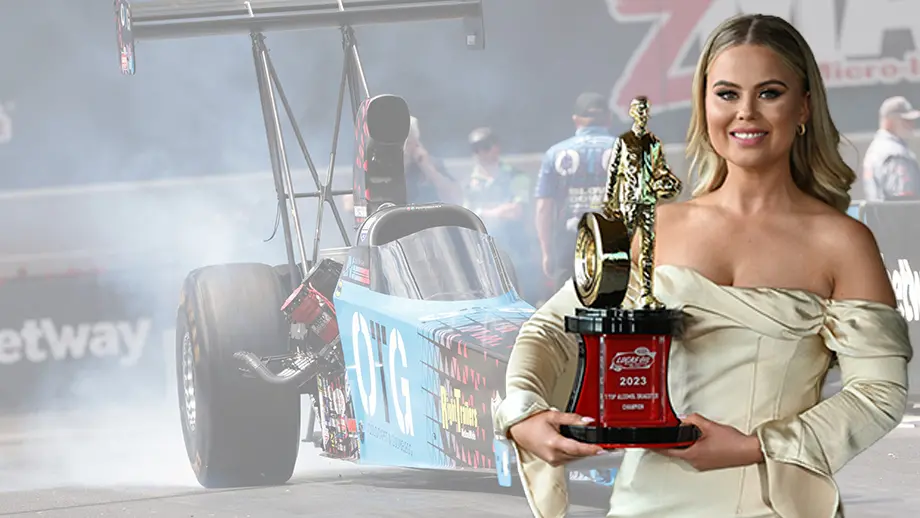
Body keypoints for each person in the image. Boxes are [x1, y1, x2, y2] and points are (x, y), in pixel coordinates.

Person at [493, 13, 912, 518]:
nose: (746, 113)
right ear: (704, 105)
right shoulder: (655, 228)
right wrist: (523, 412)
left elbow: (879, 391)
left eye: (770, 93)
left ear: (804, 106)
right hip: (641, 506)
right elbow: (551, 331)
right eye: (727, 94)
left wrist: (756, 447)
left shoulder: (844, 243)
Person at [534, 92, 618, 294]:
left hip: (569, 244)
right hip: (616, 242)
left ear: (576, 120)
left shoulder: (554, 153)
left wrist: (546, 251)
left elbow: (544, 207)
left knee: (567, 305)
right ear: (608, 118)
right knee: (613, 304)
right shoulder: (627, 150)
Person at [464, 127, 537, 301]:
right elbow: (467, 216)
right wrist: (500, 210)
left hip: (516, 251)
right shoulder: (470, 183)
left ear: (496, 147)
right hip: (485, 254)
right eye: (475, 149)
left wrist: (483, 212)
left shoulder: (516, 176)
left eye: (485, 147)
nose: (481, 153)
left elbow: (516, 211)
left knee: (524, 299)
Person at [861, 96, 920, 201]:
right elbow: (902, 201)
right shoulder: (896, 154)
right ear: (890, 121)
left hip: (878, 210)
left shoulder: (875, 148)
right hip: (895, 211)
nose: (912, 125)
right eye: (906, 120)